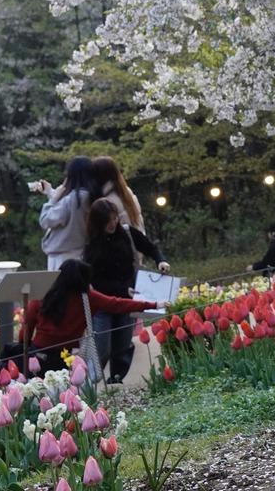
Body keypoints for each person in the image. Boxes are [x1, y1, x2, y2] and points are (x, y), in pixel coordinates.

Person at [19, 260, 158, 375]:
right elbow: (118, 304)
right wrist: (154, 304)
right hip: (68, 354)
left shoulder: (43, 296)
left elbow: (27, 324)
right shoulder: (88, 298)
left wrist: (22, 346)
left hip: (40, 352)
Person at [83, 198, 169, 383]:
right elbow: (94, 279)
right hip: (103, 302)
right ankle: (90, 382)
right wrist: (123, 289)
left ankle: (116, 379)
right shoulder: (91, 245)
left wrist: (160, 260)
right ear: (99, 222)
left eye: (114, 219)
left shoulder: (127, 233)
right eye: (107, 221)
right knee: (101, 345)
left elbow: (150, 247)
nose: (112, 224)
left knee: (122, 344)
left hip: (128, 299)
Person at [35, 156, 100, 270]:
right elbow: (67, 209)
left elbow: (45, 220)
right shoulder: (93, 196)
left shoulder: (74, 198)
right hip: (82, 253)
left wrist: (53, 199)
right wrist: (50, 192)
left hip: (63, 257)